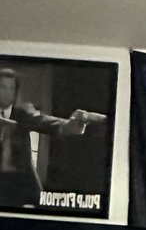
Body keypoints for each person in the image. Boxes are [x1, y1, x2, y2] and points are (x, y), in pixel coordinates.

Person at [0, 66, 98, 208]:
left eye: (11, 88)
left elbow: (43, 121)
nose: (7, 92)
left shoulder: (23, 114)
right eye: (3, 87)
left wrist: (68, 125)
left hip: (19, 181)